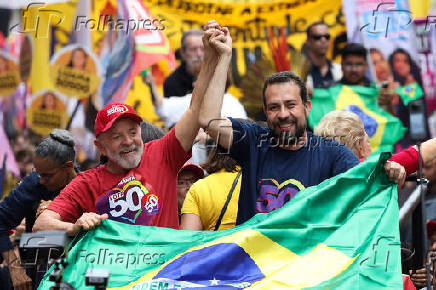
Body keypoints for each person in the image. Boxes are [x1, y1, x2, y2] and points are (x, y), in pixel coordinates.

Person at [34, 23, 221, 233]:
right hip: (117, 265)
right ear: (100, 147)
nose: (128, 141)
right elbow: (42, 225)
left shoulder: (163, 153)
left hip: (164, 265)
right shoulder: (87, 183)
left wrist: (211, 58)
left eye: (133, 132)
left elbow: (195, 108)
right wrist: (74, 227)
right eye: (116, 136)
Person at [198, 21, 359, 224]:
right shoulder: (253, 142)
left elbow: (365, 195)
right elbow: (207, 120)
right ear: (265, 111)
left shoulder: (333, 154)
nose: (283, 114)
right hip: (254, 255)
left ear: (306, 107)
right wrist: (223, 58)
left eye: (290, 105)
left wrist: (393, 171)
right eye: (274, 107)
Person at [0, 129, 77, 290]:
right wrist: (16, 271)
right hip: (38, 276)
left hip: (79, 274)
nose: (41, 180)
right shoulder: (33, 184)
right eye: (38, 172)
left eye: (48, 175)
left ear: (68, 167)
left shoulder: (89, 185)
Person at [181, 142, 242, 231]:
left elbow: (188, 237)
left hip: (218, 244)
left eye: (193, 180)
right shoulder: (262, 182)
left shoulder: (199, 188)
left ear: (214, 152)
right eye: (182, 182)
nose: (188, 185)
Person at [163, 29, 204, 98]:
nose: (199, 54)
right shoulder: (172, 83)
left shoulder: (217, 75)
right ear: (183, 53)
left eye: (203, 49)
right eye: (193, 49)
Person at [305, 22, 342, 90]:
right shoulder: (299, 72)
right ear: (308, 41)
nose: (323, 40)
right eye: (317, 37)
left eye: (327, 37)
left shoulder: (340, 69)